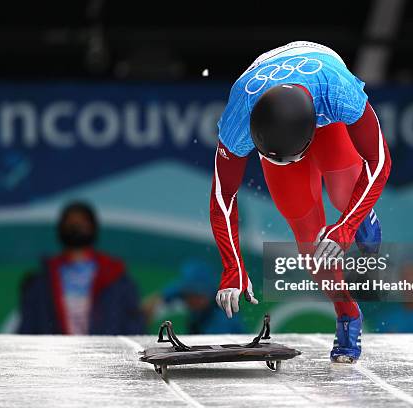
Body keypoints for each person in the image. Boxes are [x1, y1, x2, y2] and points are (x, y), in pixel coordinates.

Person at [210, 41, 391, 362]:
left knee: (343, 194)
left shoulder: (340, 93)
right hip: (273, 98)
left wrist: (347, 226)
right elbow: (223, 197)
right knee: (311, 244)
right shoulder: (238, 116)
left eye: (290, 158)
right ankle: (347, 314)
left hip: (323, 93)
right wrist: (232, 267)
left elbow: (378, 162)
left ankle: (361, 216)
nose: (287, 165)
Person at [18, 201, 144, 335]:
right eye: (70, 222)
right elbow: (28, 330)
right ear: (61, 228)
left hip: (105, 354)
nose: (76, 226)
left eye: (82, 222)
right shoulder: (41, 283)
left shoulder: (116, 278)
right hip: (55, 353)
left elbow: (133, 327)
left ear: (93, 227)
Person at [143, 259, 245, 334]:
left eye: (199, 295)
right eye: (189, 294)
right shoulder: (194, 297)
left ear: (209, 294)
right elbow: (160, 297)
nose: (192, 300)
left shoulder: (223, 319)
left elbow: (211, 354)